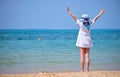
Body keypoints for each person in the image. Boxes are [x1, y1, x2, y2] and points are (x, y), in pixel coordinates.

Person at [66, 6, 104, 72]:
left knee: (82, 56)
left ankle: (82, 70)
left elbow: (74, 17)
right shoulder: (90, 23)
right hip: (88, 41)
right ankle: (87, 70)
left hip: (81, 41)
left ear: (82, 19)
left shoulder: (80, 24)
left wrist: (69, 11)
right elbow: (95, 18)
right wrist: (100, 13)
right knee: (87, 56)